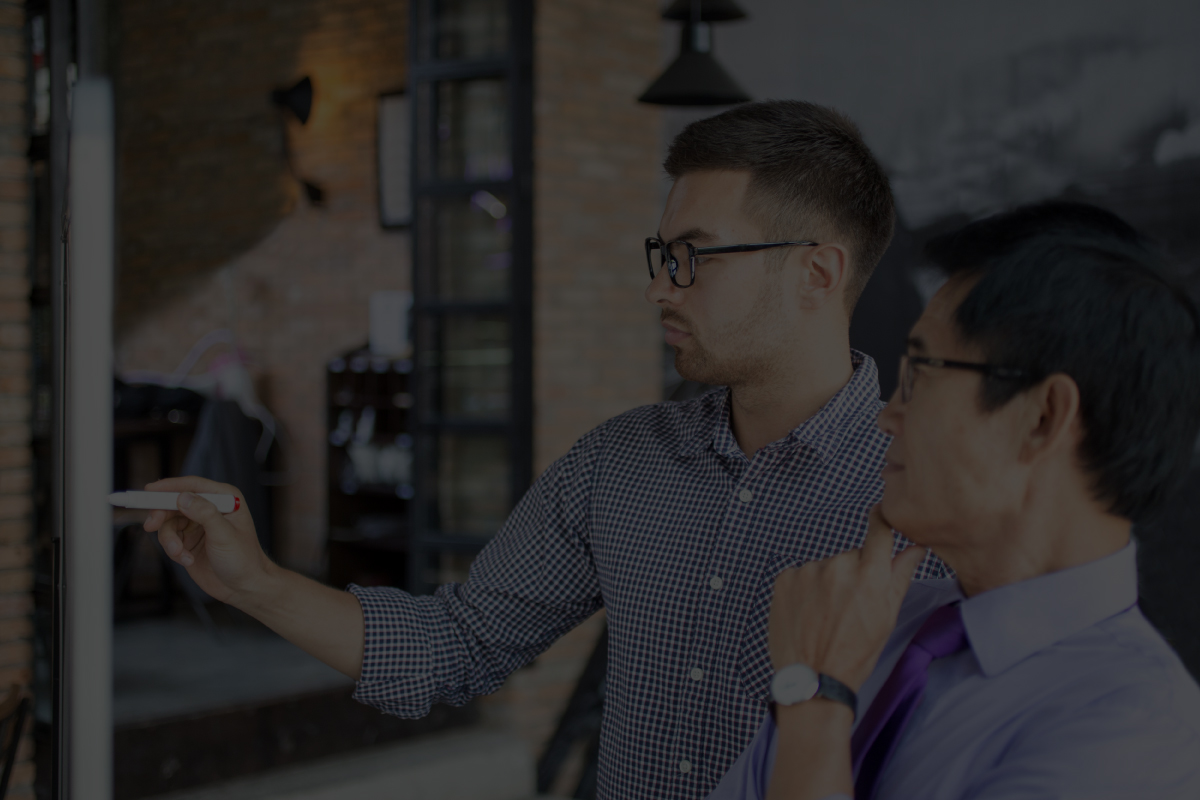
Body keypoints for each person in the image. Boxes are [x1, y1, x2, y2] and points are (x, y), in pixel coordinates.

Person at [143, 100, 947, 800]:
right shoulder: (620, 462)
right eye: (662, 257)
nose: (659, 288)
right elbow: (455, 644)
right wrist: (256, 583)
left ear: (817, 272)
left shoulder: (929, 505)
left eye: (693, 258)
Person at [708, 202, 1200, 800]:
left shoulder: (1139, 730)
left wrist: (815, 701)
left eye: (920, 374)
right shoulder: (868, 622)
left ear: (1042, 417)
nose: (887, 415)